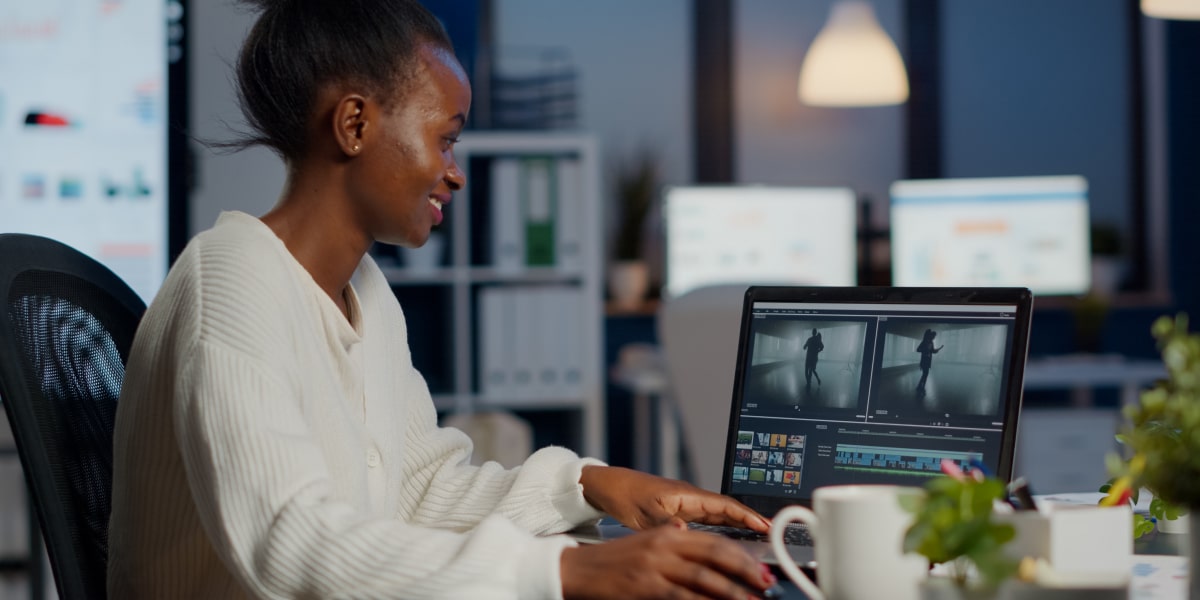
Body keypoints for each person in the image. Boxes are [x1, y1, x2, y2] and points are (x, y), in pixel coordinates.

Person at [106, 1, 777, 598]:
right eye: (446, 138)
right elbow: (290, 540)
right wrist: (569, 573)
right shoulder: (231, 278)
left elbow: (419, 493)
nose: (455, 173)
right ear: (354, 125)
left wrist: (590, 485)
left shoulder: (365, 293)